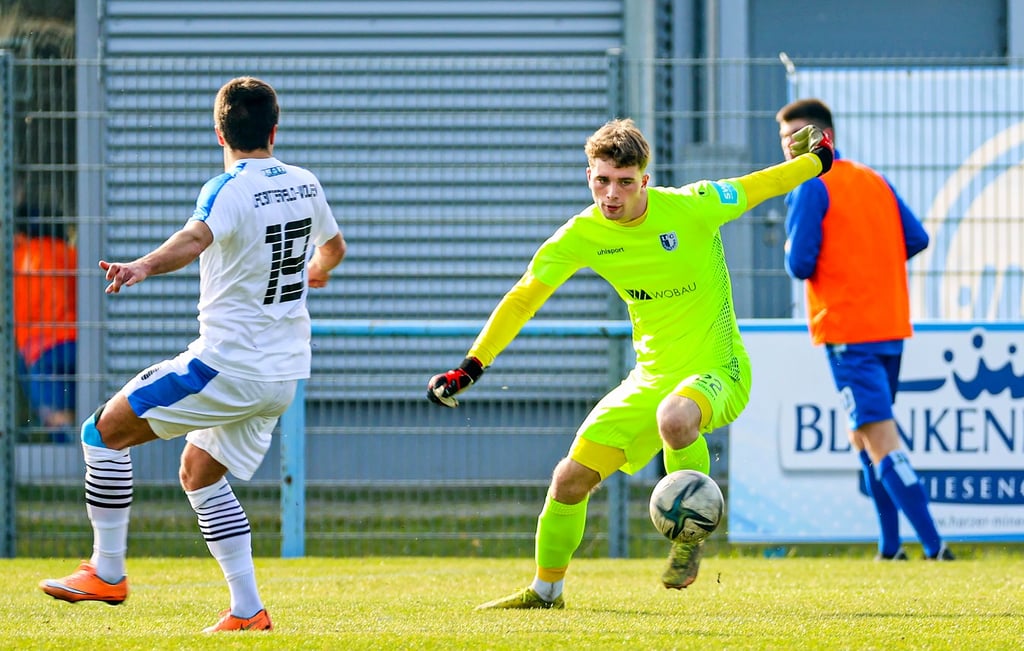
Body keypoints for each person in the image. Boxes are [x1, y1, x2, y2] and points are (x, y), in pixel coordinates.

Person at [427, 117, 835, 609]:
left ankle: (689, 543)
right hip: (649, 378)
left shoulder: (693, 205)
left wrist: (817, 162)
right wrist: (472, 365)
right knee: (568, 479)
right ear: (589, 178)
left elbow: (760, 186)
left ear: (645, 180)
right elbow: (522, 298)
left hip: (718, 369)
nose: (611, 194)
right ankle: (546, 591)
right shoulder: (582, 233)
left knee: (675, 417)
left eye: (624, 182)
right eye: (602, 181)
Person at [38, 76, 348, 631]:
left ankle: (107, 570)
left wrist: (142, 266)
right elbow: (333, 248)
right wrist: (314, 274)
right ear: (275, 130)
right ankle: (248, 610)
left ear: (218, 132)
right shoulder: (305, 183)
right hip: (282, 376)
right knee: (199, 471)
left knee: (101, 432)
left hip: (225, 365)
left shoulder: (226, 186)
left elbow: (194, 239)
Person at [776, 97, 952, 561]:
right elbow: (916, 238)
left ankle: (936, 548)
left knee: (876, 435)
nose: (788, 151)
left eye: (792, 140)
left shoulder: (812, 186)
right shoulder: (873, 179)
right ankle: (890, 547)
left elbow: (799, 263)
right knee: (864, 434)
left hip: (847, 331)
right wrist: (870, 268)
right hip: (890, 326)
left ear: (818, 140)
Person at [13, 207, 78, 442]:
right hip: (76, 343)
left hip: (40, 351)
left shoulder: (19, 257)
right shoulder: (72, 255)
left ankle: (67, 460)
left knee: (55, 415)